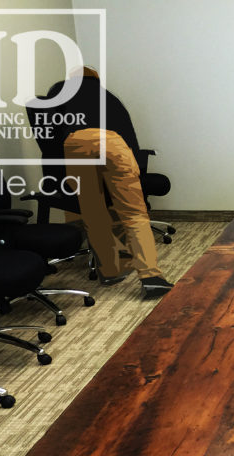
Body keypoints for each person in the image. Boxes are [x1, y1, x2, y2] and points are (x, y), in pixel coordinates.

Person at [37, 68, 173, 298]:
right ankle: (151, 277)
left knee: (93, 213)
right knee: (133, 213)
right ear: (96, 80)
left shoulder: (57, 93)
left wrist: (60, 178)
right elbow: (130, 138)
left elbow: (49, 140)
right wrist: (133, 176)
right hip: (111, 143)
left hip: (74, 145)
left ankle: (110, 271)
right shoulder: (108, 97)